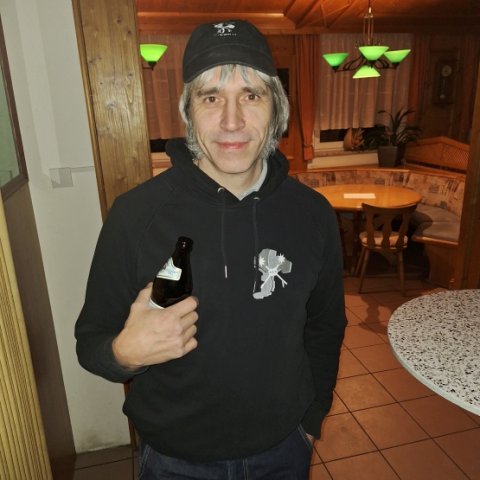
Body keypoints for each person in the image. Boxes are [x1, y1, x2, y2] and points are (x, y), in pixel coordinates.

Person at [75, 19, 346, 479]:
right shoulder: (136, 215)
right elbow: (91, 342)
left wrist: (311, 419)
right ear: (188, 110)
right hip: (174, 460)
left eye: (251, 95)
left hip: (284, 450)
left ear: (276, 108)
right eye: (211, 97)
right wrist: (124, 353)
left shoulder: (313, 214)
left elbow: (325, 326)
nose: (232, 121)